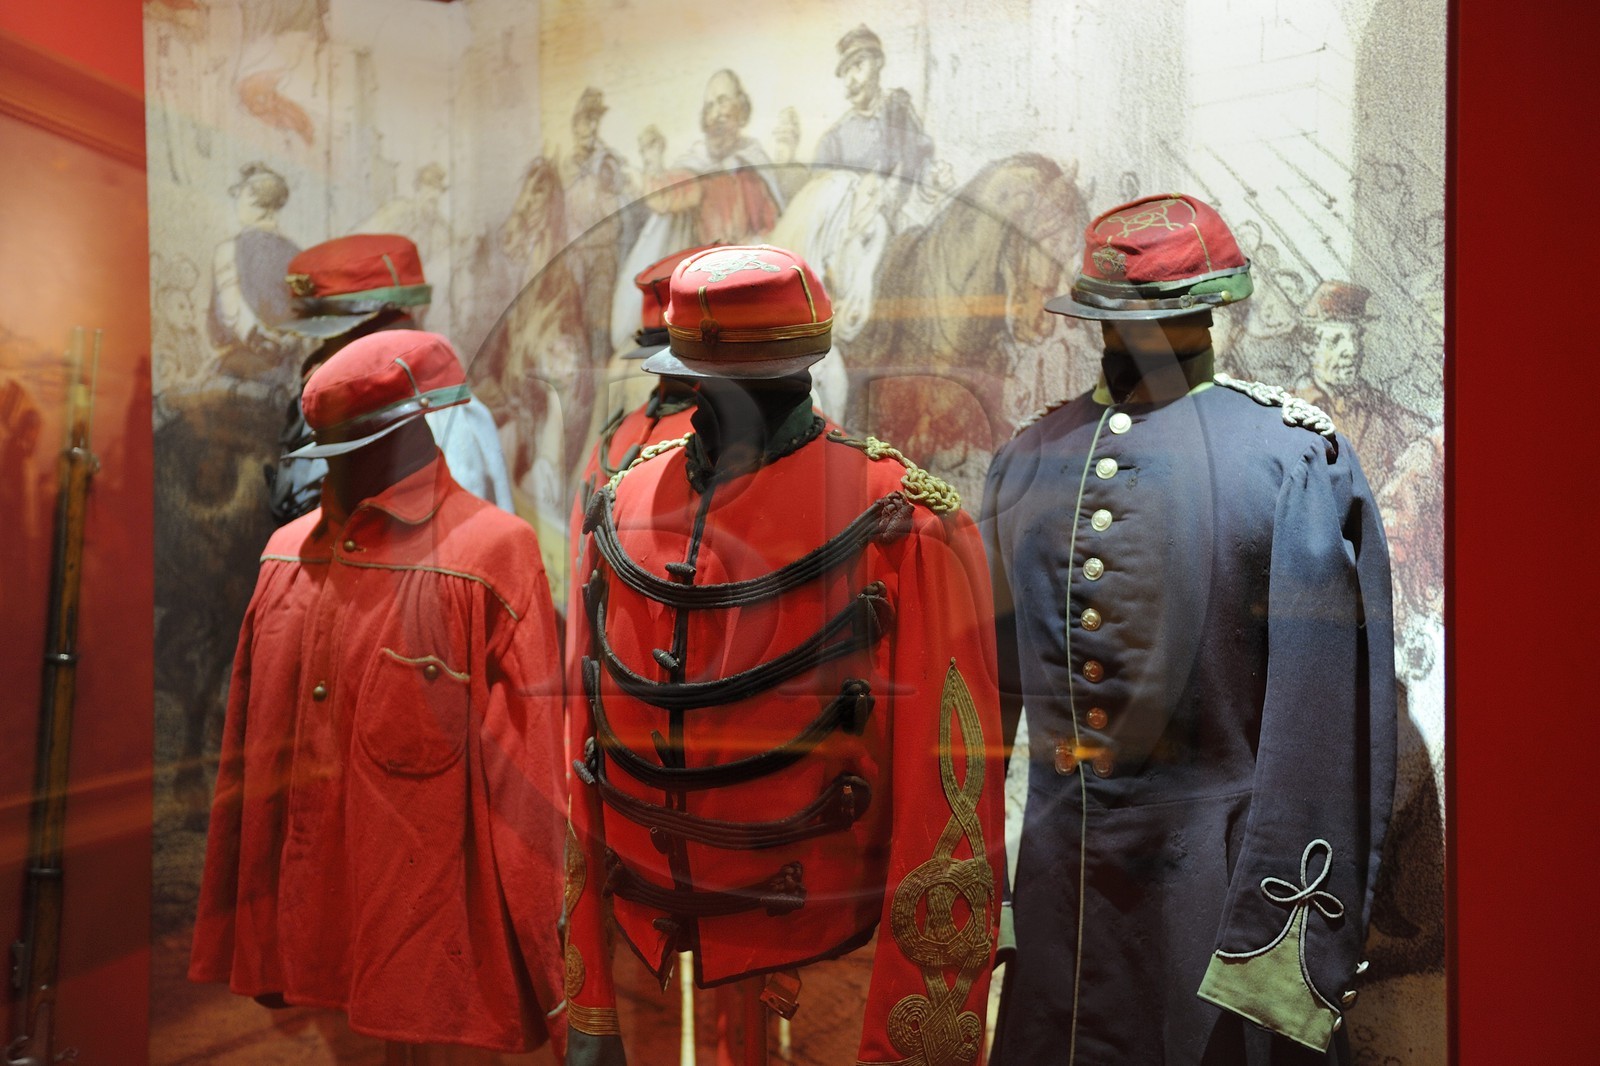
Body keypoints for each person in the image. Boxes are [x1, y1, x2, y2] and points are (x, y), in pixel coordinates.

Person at [564, 245, 1003, 1065]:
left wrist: (915, 1036)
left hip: (833, 944)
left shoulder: (907, 522)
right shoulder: (620, 503)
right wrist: (590, 1000)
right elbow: (584, 753)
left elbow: (950, 808)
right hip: (651, 936)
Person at [983, 194, 1396, 1064]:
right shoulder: (1029, 460)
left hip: (1213, 912)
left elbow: (1319, 735)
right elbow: (982, 712)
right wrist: (988, 903)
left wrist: (1278, 950)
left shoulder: (1290, 461)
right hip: (1062, 904)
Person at [189, 329, 567, 1058]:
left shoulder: (492, 554)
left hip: (440, 944)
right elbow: (248, 765)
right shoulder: (286, 558)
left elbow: (530, 785)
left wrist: (556, 975)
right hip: (321, 930)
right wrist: (255, 925)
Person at [267, 233, 514, 522]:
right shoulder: (325, 389)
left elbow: (455, 531)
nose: (324, 352)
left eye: (338, 337)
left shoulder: (433, 415)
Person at [1290, 280, 1432, 496]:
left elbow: (1431, 438)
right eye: (1336, 340)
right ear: (1309, 346)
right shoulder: (1284, 410)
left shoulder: (1385, 413)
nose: (1352, 350)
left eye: (1356, 337)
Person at [208, 161, 303, 386]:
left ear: (254, 201)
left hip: (236, 372)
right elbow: (309, 320)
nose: (236, 204)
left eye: (240, 196)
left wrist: (255, 337)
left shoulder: (227, 252)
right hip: (286, 377)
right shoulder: (299, 257)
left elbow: (220, 325)